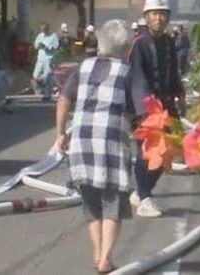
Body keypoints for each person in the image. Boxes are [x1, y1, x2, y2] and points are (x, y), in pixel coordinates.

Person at [56, 19, 149, 274]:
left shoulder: (83, 67)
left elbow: (64, 100)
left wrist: (61, 134)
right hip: (111, 143)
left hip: (82, 141)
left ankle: (97, 252)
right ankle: (107, 258)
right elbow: (143, 111)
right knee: (113, 202)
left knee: (91, 200)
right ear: (126, 47)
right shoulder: (129, 71)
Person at [127, 0, 184, 219]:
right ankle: (145, 199)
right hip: (144, 108)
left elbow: (173, 73)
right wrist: (144, 113)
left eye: (162, 14)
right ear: (146, 17)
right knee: (146, 154)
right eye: (154, 14)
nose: (159, 18)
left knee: (169, 150)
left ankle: (141, 192)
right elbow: (136, 79)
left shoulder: (170, 43)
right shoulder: (139, 45)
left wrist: (179, 92)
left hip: (166, 106)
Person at [31, 23, 59, 99]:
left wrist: (46, 47)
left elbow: (55, 46)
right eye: (42, 29)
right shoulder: (40, 35)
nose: (43, 31)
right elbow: (36, 45)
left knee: (47, 76)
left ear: (48, 29)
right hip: (40, 58)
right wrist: (39, 45)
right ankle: (41, 88)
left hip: (48, 59)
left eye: (45, 29)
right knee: (35, 75)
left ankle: (47, 94)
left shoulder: (53, 36)